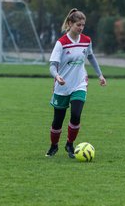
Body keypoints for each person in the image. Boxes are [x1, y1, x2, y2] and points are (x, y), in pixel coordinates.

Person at [45, 8, 106, 158]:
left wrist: (100, 75)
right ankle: (54, 146)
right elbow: (52, 65)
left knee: (76, 115)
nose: (81, 28)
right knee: (57, 121)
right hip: (62, 85)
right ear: (70, 23)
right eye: (78, 25)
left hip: (79, 83)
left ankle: (70, 144)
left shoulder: (86, 41)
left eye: (83, 25)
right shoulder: (61, 43)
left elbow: (90, 57)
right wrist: (57, 76)